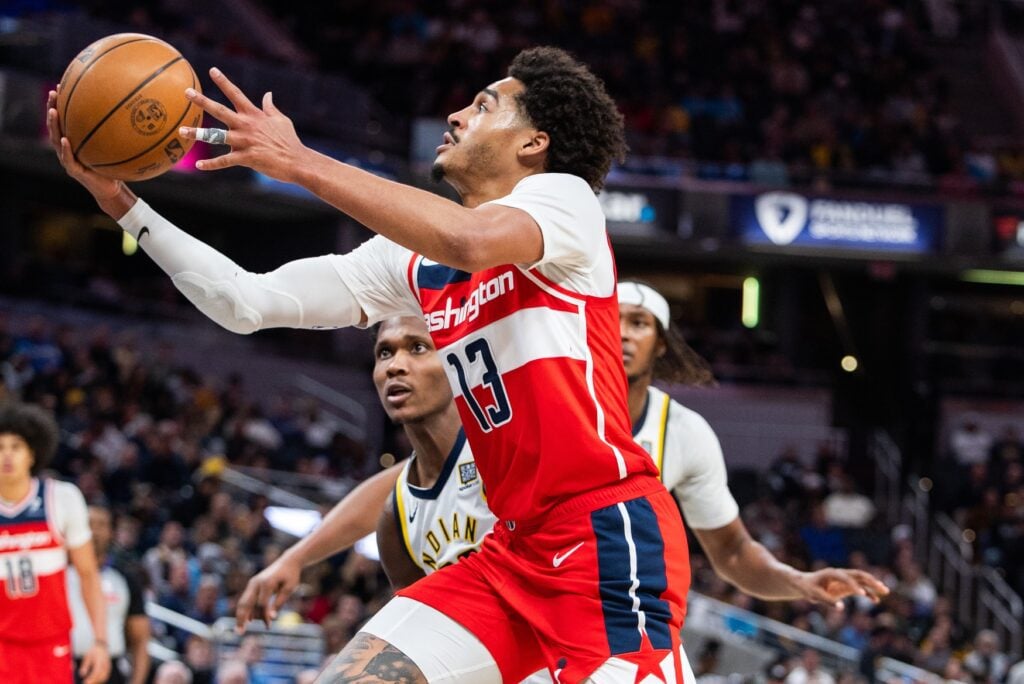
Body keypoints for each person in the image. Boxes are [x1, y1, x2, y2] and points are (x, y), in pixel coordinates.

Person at [50, 45, 685, 681]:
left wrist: (300, 162)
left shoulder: (564, 201)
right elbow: (246, 302)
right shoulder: (410, 263)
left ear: (534, 143)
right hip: (511, 551)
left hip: (605, 544)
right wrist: (120, 203)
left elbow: (469, 241)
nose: (458, 114)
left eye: (484, 105)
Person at [618, 281, 888, 608]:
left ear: (661, 344)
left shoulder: (684, 431)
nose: (623, 334)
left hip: (619, 619)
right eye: (612, 321)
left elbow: (732, 551)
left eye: (638, 322)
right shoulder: (549, 410)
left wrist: (797, 580)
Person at [236, 315, 491, 629]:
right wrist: (295, 557)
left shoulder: (503, 448)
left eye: (418, 347)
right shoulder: (396, 516)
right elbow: (423, 633)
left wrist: (297, 557)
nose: (395, 365)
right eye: (385, 352)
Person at [0, 401, 111, 684]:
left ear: (33, 453)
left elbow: (88, 575)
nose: (7, 456)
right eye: (0, 447)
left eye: (16, 447)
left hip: (50, 643)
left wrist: (100, 641)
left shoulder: (61, 498)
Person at [68, 505, 152, 684]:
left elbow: (140, 640)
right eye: (89, 523)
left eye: (101, 525)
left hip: (110, 669)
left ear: (111, 532)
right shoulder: (58, 573)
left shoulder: (125, 579)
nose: (94, 531)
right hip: (65, 666)